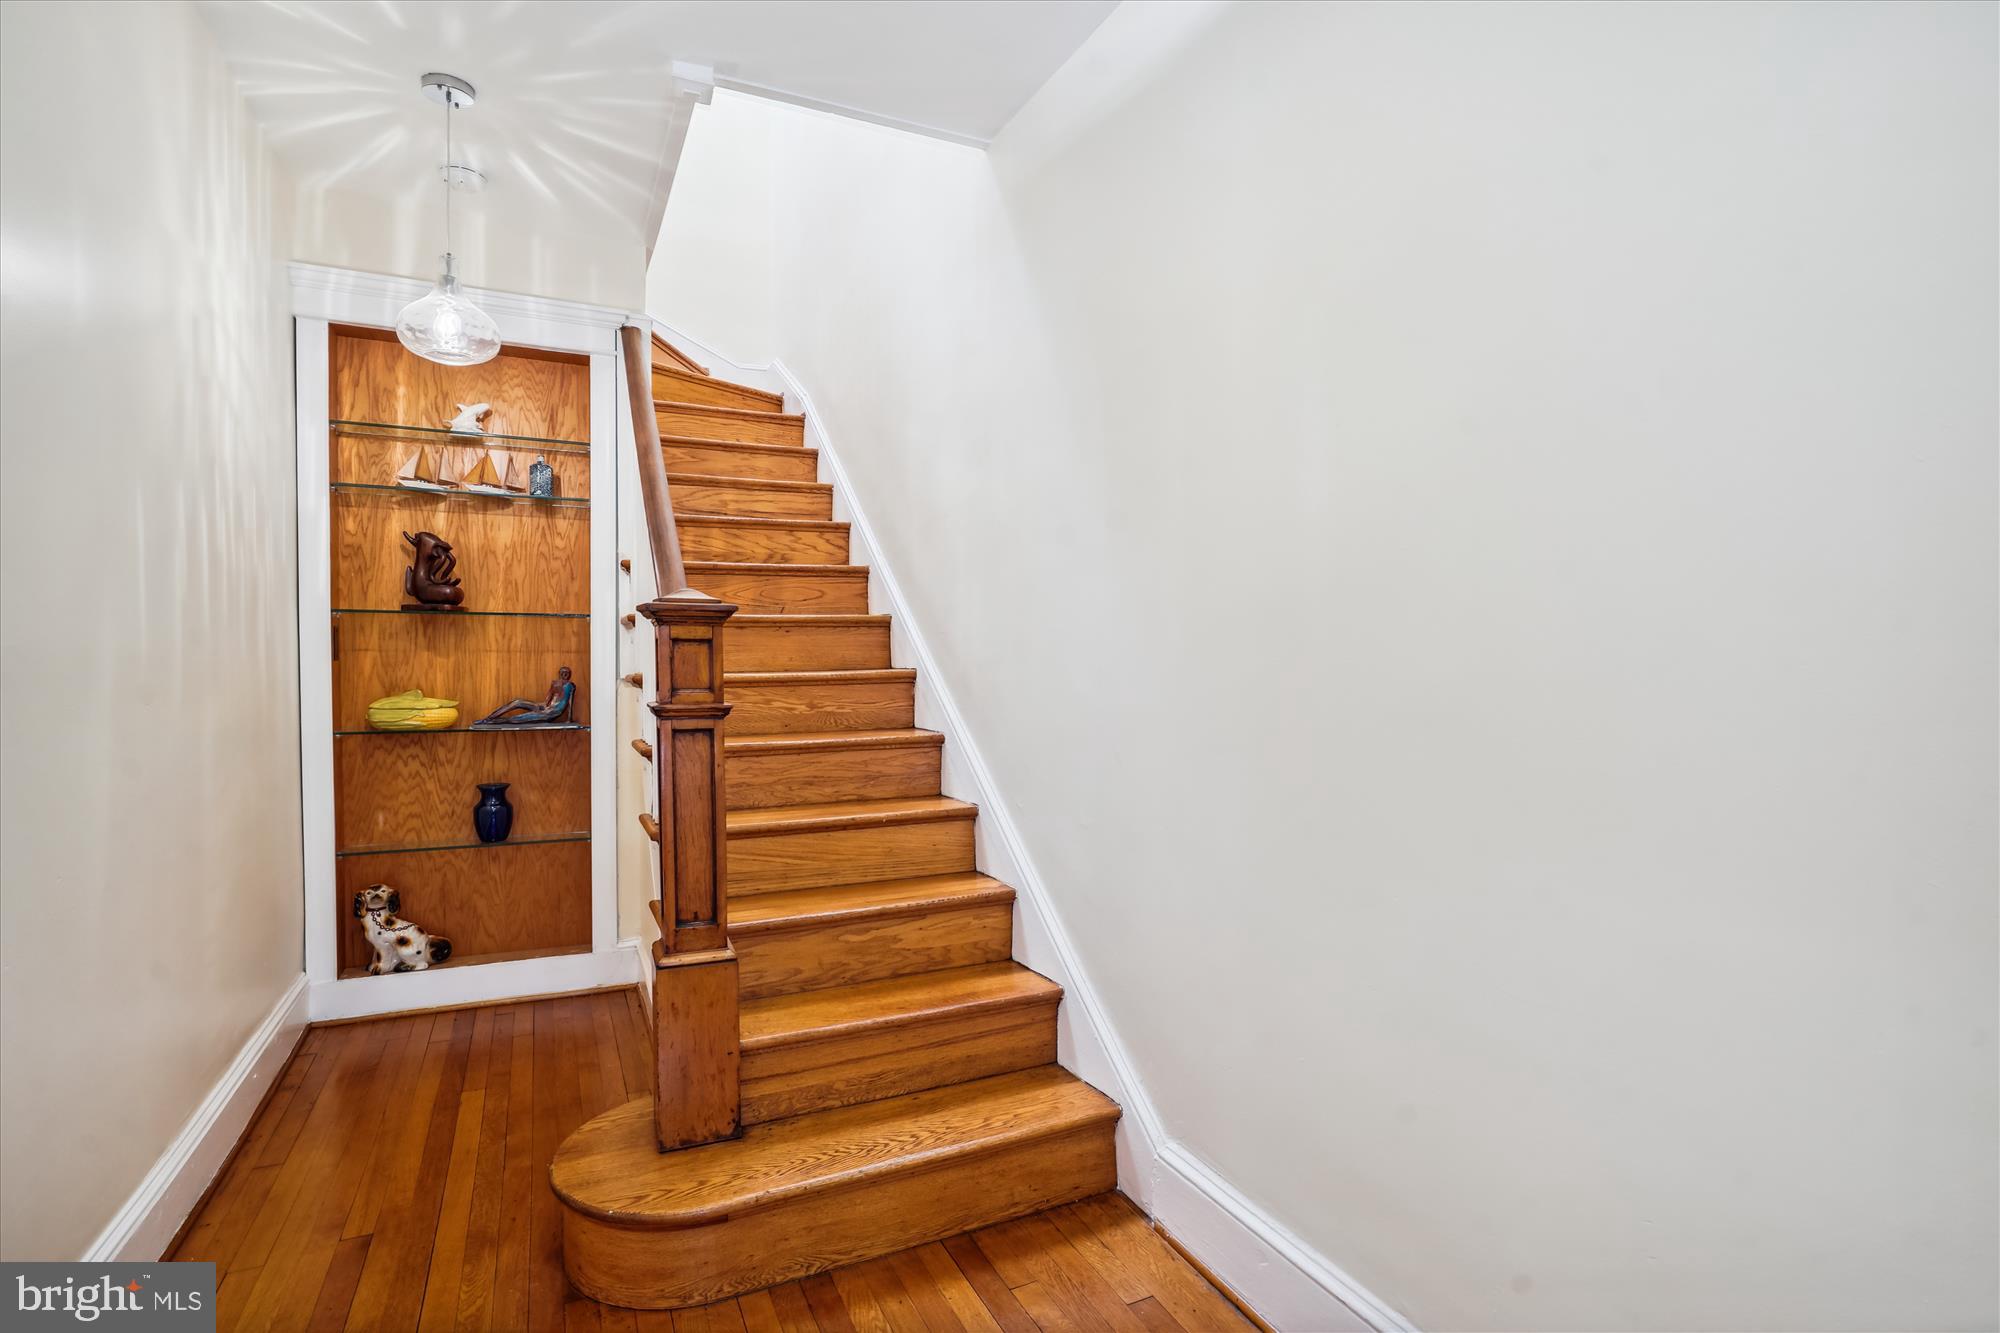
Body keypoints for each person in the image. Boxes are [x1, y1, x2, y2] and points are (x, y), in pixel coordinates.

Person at [473, 666, 574, 727]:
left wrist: (569, 719)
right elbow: (548, 698)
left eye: (567, 673)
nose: (564, 675)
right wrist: (540, 707)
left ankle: (490, 723)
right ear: (559, 674)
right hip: (545, 707)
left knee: (515, 719)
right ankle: (487, 718)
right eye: (562, 673)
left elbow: (570, 702)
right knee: (517, 702)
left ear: (569, 675)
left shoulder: (571, 685)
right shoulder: (555, 683)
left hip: (551, 713)